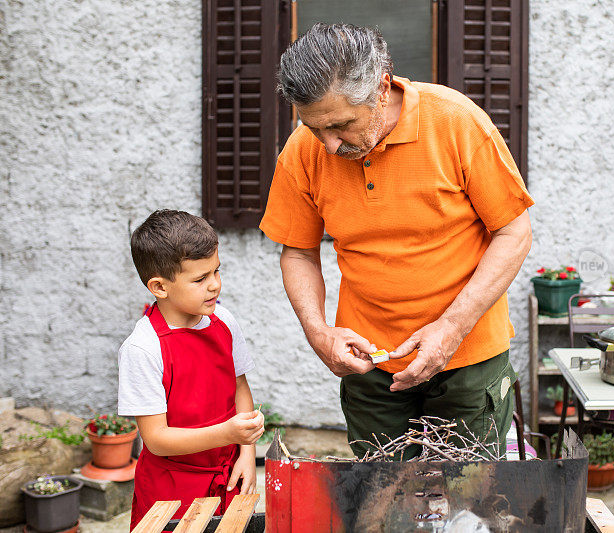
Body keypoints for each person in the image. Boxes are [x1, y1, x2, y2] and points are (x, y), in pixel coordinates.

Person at [260, 23, 533, 459]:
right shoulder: (303, 151)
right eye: (315, 128)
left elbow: (513, 231)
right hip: (369, 365)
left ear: (381, 88)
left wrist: (451, 327)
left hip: (467, 356)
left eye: (341, 125)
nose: (329, 146)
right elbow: (297, 250)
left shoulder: (457, 122)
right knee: (381, 502)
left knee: (470, 505)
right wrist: (318, 331)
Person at [118, 209, 264, 529]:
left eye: (216, 271)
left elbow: (240, 387)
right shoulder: (142, 348)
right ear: (159, 286)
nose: (215, 286)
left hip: (227, 477)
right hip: (170, 493)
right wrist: (227, 433)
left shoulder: (224, 322)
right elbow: (156, 439)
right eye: (200, 279)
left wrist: (247, 455)